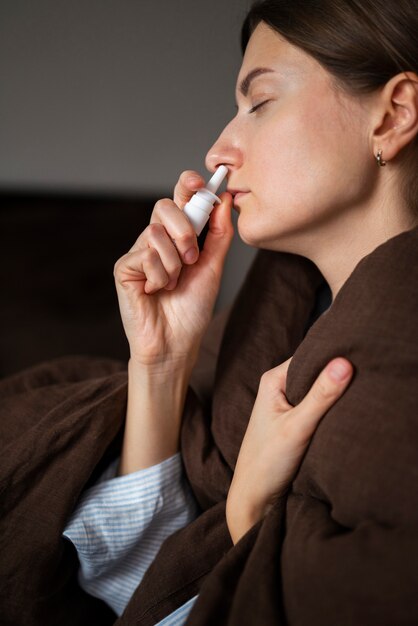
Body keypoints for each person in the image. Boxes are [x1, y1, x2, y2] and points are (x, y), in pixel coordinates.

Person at [63, 0, 418, 623]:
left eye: (259, 103)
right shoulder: (279, 316)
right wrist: (161, 363)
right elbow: (136, 594)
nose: (220, 148)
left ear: (392, 115)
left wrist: (248, 520)